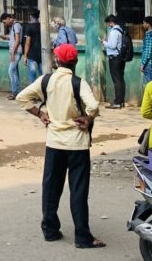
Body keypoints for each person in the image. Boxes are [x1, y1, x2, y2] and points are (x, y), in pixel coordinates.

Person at [16, 44, 104, 249]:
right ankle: (82, 236)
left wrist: (40, 113)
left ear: (57, 61)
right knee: (78, 191)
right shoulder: (78, 83)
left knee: (51, 188)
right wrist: (88, 119)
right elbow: (93, 106)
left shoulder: (46, 80)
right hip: (77, 144)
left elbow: (22, 98)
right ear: (75, 62)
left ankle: (50, 230)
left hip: (54, 143)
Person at [101, 15, 126, 109]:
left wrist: (103, 42)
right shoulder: (120, 30)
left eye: (108, 23)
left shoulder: (114, 32)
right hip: (119, 57)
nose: (107, 25)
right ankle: (121, 101)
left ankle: (117, 102)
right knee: (120, 79)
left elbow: (112, 45)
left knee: (116, 80)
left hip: (115, 58)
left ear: (111, 22)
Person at [1, 13, 24, 100]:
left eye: (5, 22)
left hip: (16, 52)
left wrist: (13, 53)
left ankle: (15, 92)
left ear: (8, 18)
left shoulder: (16, 25)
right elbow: (14, 38)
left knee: (11, 71)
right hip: (15, 51)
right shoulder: (14, 27)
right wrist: (7, 38)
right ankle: (16, 91)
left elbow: (17, 40)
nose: (5, 24)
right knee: (14, 71)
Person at [22, 9, 43, 84]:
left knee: (32, 76)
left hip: (32, 55)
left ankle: (33, 93)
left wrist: (25, 56)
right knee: (43, 76)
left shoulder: (29, 27)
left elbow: (27, 43)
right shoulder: (42, 26)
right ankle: (43, 92)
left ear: (31, 16)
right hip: (42, 54)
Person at [139, 16, 152, 85]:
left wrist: (143, 64)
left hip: (149, 65)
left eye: (144, 23)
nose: (143, 25)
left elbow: (147, 53)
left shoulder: (149, 36)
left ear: (148, 24)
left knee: (150, 86)